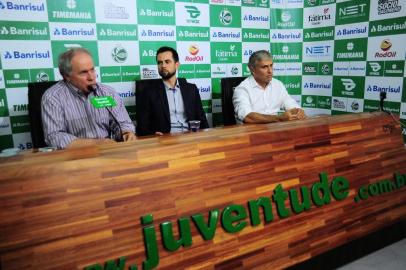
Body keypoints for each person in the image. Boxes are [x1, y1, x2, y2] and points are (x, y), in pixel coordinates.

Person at [41, 48, 136, 149]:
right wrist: (96, 143)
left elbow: (123, 123)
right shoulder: (53, 97)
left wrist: (126, 133)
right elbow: (54, 137)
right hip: (74, 158)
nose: (91, 77)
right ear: (66, 76)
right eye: (83, 72)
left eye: (92, 70)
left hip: (107, 153)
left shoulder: (107, 92)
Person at [136, 46, 209, 136]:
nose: (163, 66)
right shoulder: (148, 92)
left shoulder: (191, 89)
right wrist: (152, 135)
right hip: (165, 140)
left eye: (167, 62)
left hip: (190, 136)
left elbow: (202, 119)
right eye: (160, 63)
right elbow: (142, 126)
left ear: (177, 65)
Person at [233, 50, 306, 123]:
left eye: (271, 65)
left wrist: (298, 111)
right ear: (252, 69)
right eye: (264, 67)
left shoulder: (278, 85)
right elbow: (247, 117)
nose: (270, 71)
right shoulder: (242, 89)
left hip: (275, 130)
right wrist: (279, 118)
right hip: (251, 132)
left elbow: (290, 104)